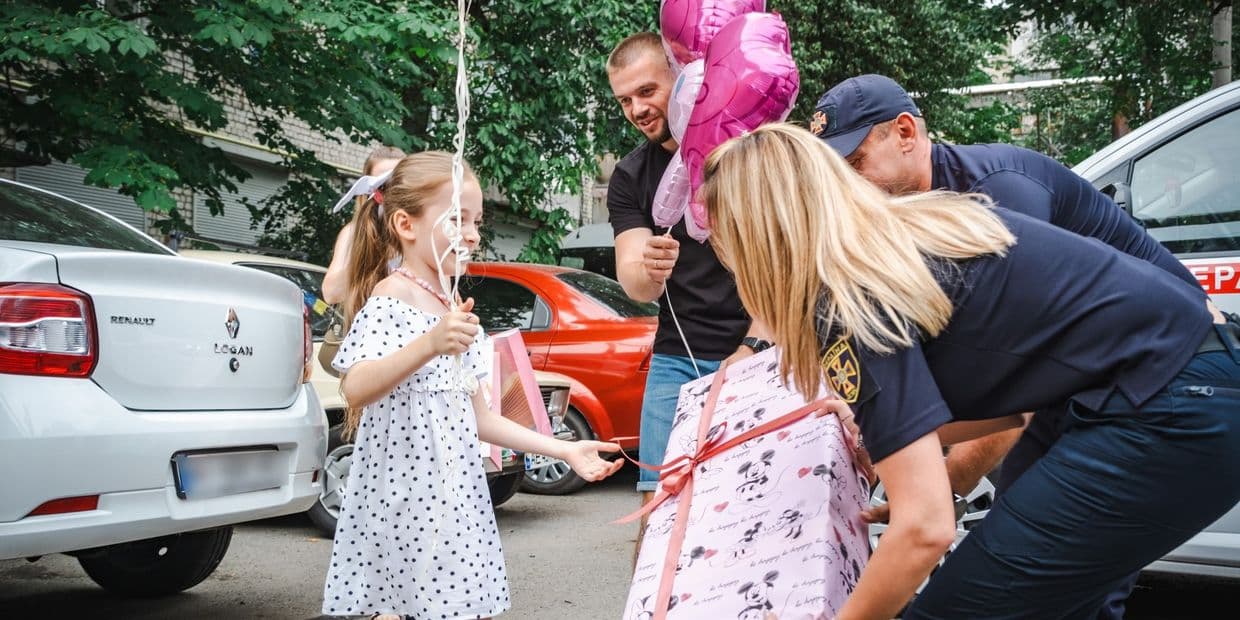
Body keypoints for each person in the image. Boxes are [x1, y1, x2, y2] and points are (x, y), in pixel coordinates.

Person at [701, 122, 1240, 619]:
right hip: (1177, 380)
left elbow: (925, 528)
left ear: (757, 241)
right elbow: (1007, 408)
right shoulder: (910, 235)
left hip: (1168, 401)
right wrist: (887, 438)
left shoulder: (849, 300)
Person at [811, 73, 1208, 617]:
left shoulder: (998, 192)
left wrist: (938, 485)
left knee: (1061, 575)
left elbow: (1015, 388)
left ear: (905, 133)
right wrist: (887, 427)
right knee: (1023, 544)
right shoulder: (918, 208)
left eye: (855, 164)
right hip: (1084, 377)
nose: (847, 188)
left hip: (1153, 376)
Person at [320, 151, 623, 620]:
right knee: (398, 608)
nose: (473, 234)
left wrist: (563, 450)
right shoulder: (392, 294)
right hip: (402, 498)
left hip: (455, 497)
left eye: (477, 221)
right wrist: (430, 344)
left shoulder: (454, 307)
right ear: (405, 224)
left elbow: (482, 419)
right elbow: (357, 387)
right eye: (458, 219)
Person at [604, 32, 775, 545]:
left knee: (754, 504)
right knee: (656, 511)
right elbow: (635, 282)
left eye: (646, 91)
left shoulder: (749, 151)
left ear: (682, 78)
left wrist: (754, 344)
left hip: (764, 348)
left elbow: (786, 267)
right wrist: (649, 269)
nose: (637, 109)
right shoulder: (630, 175)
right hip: (676, 359)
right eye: (624, 100)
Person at [322, 145, 407, 305]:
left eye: (398, 181)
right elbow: (331, 293)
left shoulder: (423, 231)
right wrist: (376, 250)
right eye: (383, 185)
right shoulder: (354, 232)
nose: (392, 190)